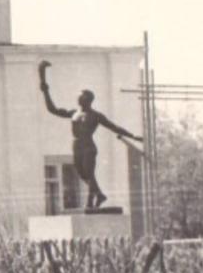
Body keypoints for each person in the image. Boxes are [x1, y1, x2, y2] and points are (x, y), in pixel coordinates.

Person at [38, 61, 142, 209]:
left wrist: (132, 136)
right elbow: (52, 110)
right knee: (82, 175)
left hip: (88, 146)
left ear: (87, 99)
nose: (78, 97)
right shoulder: (74, 113)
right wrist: (45, 90)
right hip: (76, 145)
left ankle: (90, 202)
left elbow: (114, 127)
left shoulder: (95, 115)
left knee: (89, 173)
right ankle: (99, 195)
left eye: (81, 96)